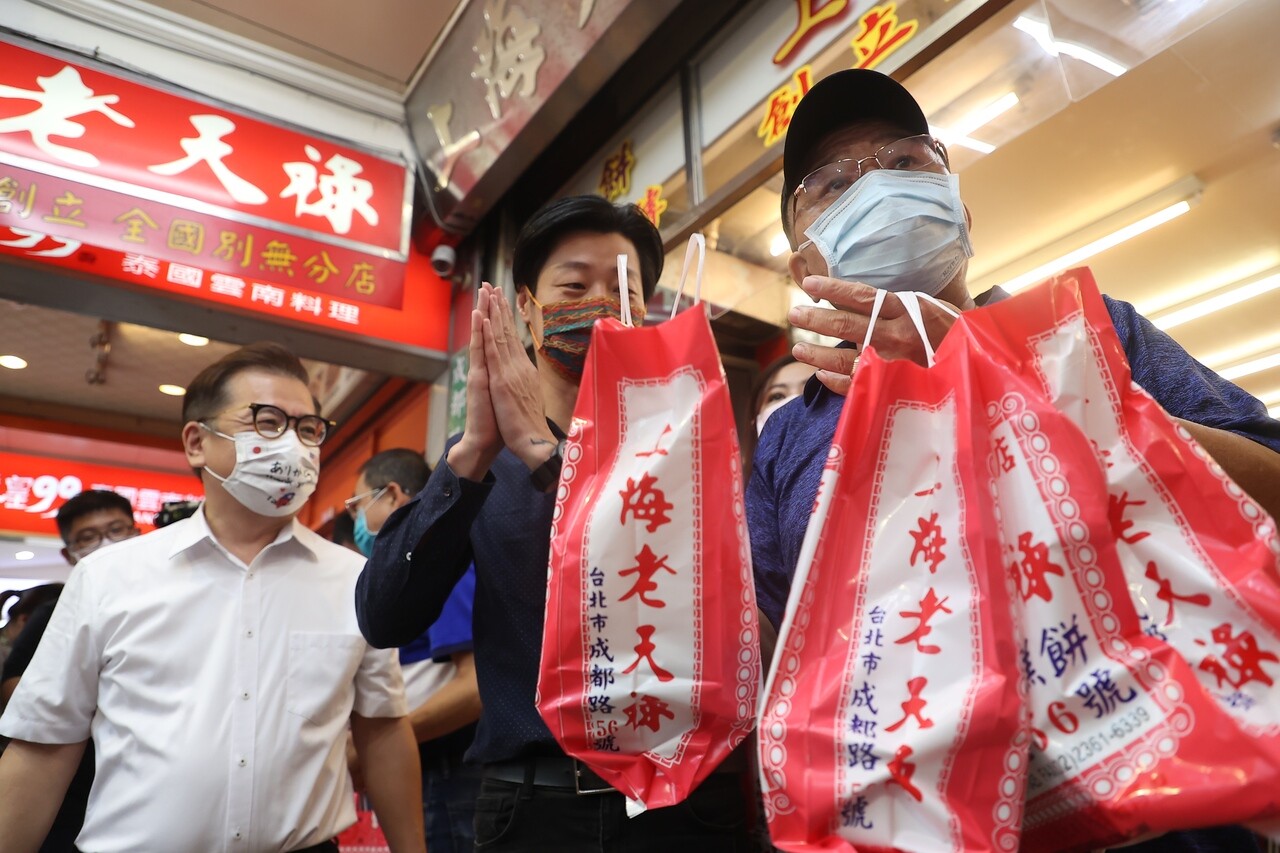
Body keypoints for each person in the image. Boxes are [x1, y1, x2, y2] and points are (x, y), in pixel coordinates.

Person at [747, 68, 1280, 852]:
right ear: (803, 261)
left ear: (958, 209)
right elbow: (775, 668)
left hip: (1172, 810)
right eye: (832, 183)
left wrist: (1035, 382)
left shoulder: (1092, 335)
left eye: (904, 163)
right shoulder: (788, 441)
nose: (877, 189)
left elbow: (1269, 488)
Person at [356, 195, 754, 850]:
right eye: (574, 284)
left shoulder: (685, 446)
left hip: (681, 804)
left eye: (622, 288)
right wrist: (472, 455)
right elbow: (385, 615)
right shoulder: (481, 459)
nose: (598, 302)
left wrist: (545, 458)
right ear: (526, 307)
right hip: (532, 808)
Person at [0, 342, 426, 853]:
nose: (293, 445)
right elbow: (44, 748)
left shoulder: (355, 579)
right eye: (267, 422)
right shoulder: (109, 577)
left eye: (308, 429)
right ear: (197, 442)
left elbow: (382, 730)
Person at [347, 448, 482, 853]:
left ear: (391, 496)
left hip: (453, 773)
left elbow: (475, 688)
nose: (355, 521)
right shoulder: (396, 583)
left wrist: (379, 742)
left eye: (357, 505)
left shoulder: (438, 563)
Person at [0, 490, 139, 853]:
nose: (106, 543)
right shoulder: (53, 611)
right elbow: (13, 686)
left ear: (137, 532)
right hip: (71, 788)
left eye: (116, 529)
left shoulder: (160, 606)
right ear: (69, 552)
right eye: (88, 537)